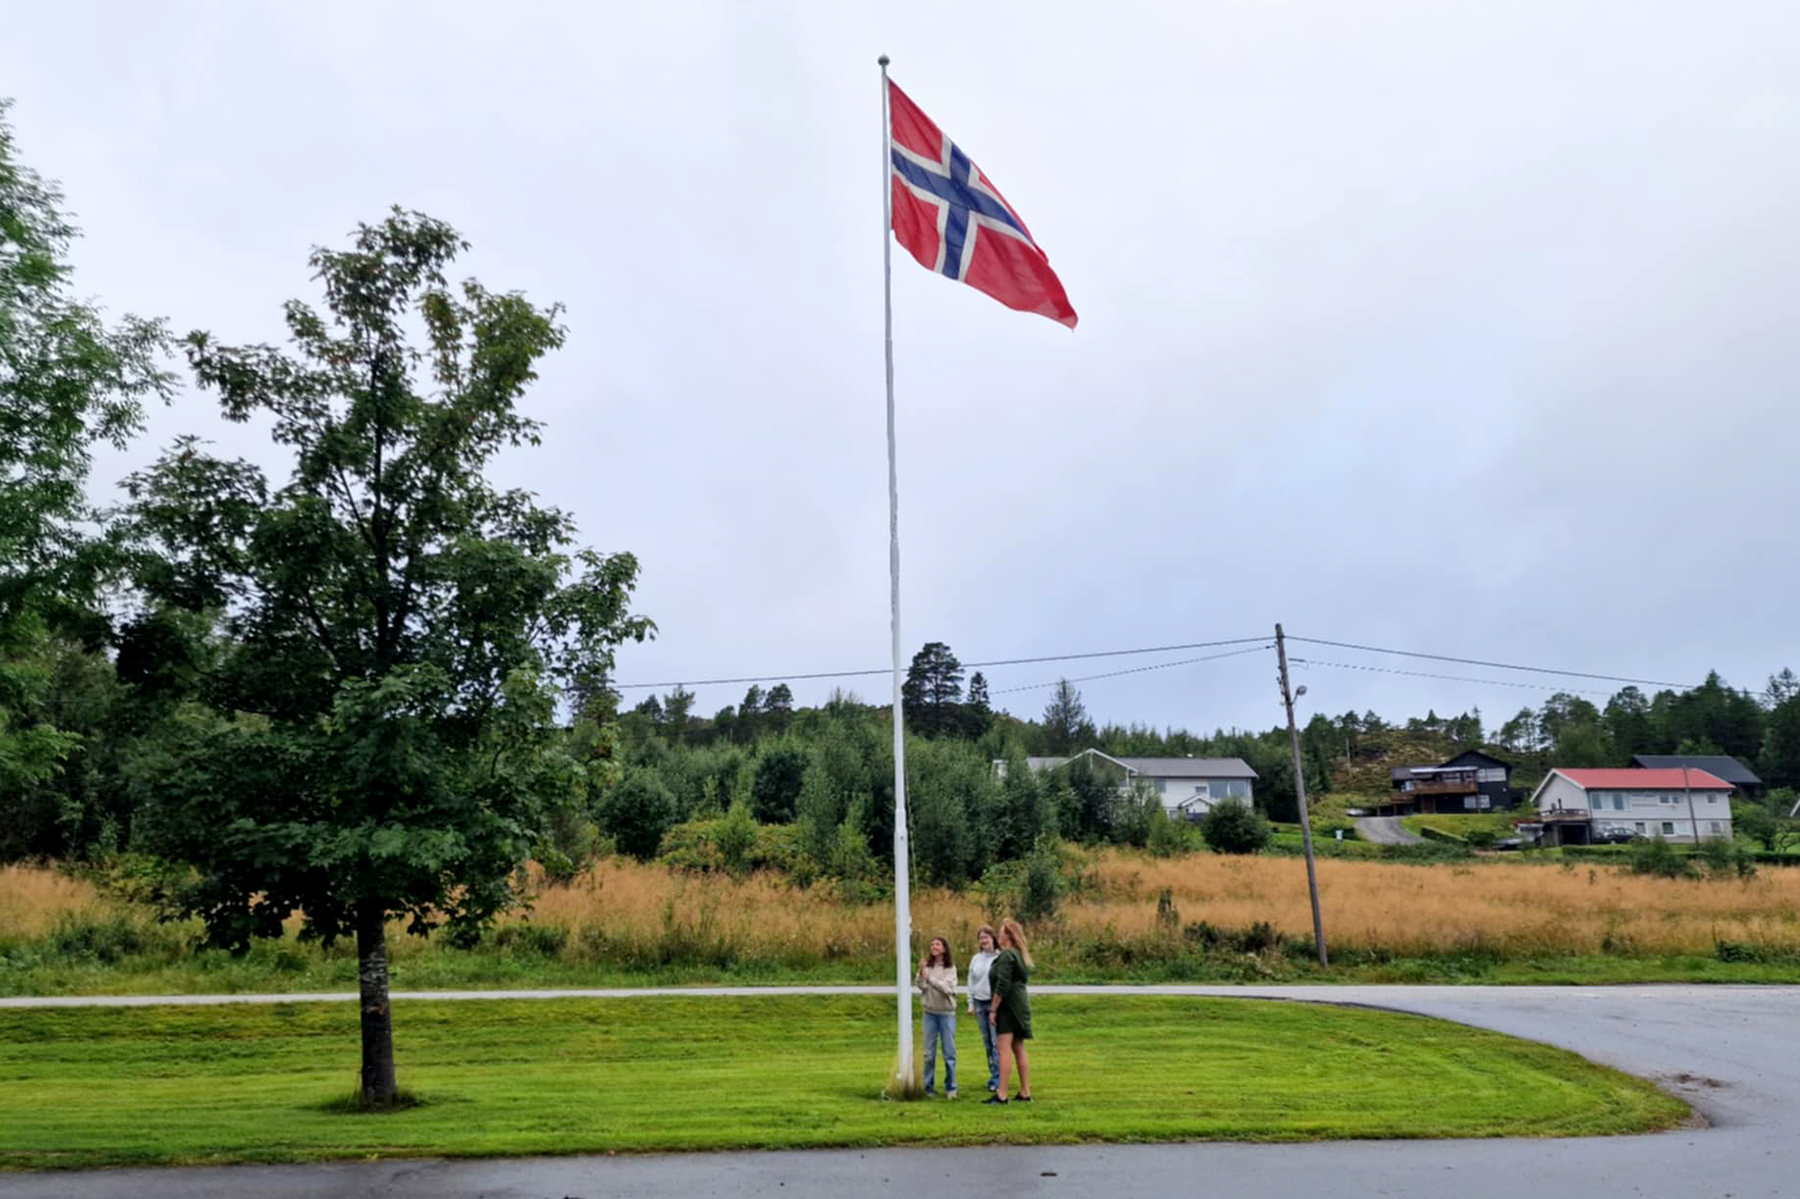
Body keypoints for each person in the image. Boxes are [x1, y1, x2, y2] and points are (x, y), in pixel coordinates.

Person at [984, 918, 1033, 1104]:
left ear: (1008, 936)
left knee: (1003, 1048)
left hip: (1008, 1006)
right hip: (1020, 1005)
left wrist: (993, 1009)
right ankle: (1025, 1091)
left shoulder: (1006, 956)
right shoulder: (1018, 955)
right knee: (1018, 1047)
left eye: (1001, 931)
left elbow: (1002, 984)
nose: (998, 934)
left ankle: (1002, 1094)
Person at [915, 936, 958, 1098]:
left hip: (946, 1014)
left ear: (944, 949)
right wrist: (921, 974)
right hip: (929, 1013)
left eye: (938, 944)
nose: (934, 946)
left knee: (949, 1053)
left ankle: (951, 1088)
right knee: (928, 1053)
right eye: (932, 944)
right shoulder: (928, 966)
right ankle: (928, 1088)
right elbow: (921, 986)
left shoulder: (950, 968)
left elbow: (948, 989)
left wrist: (930, 979)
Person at [965, 925, 1001, 1093]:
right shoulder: (976, 959)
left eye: (986, 937)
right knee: (987, 1042)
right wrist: (970, 1003)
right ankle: (993, 1073)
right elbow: (971, 982)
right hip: (979, 1003)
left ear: (993, 938)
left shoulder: (1000, 957)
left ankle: (998, 1078)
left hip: (994, 1004)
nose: (984, 940)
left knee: (996, 1042)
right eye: (981, 938)